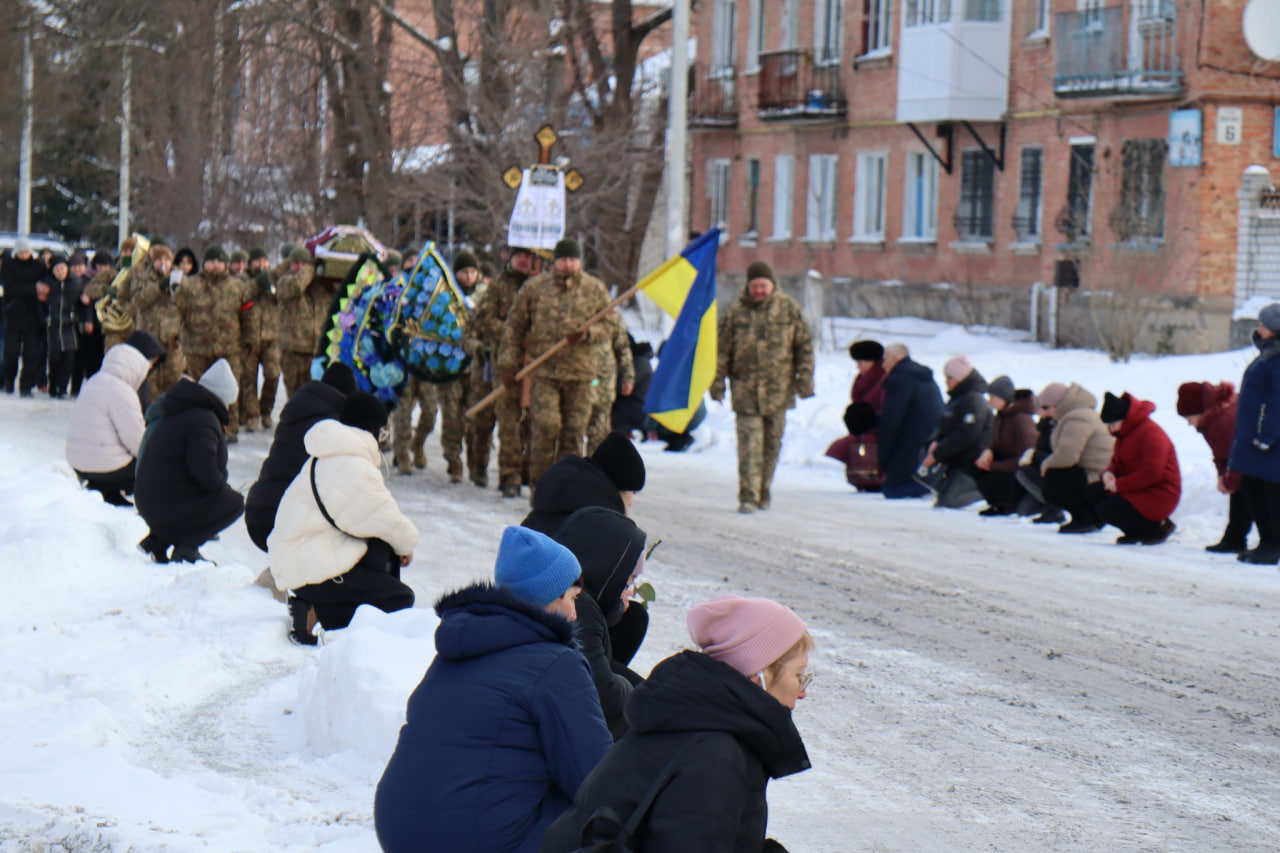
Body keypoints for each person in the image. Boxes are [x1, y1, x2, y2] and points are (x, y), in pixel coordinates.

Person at [373, 526, 613, 853]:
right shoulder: (557, 664)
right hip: (479, 837)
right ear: (550, 596)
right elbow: (594, 777)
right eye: (572, 599)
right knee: (604, 810)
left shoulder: (452, 654)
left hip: (399, 828)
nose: (574, 614)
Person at [542, 594, 812, 853]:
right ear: (758, 675)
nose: (803, 692)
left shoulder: (697, 720)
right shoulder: (714, 755)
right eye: (799, 676)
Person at [268, 392, 418, 644]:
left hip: (299, 557)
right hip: (306, 566)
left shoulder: (330, 454)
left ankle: (316, 604)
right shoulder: (351, 464)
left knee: (380, 549)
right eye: (383, 433)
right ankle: (317, 613)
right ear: (371, 430)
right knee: (399, 598)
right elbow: (385, 517)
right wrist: (406, 545)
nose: (382, 441)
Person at [499, 238, 614, 494]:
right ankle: (540, 487)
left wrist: (587, 334)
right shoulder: (535, 288)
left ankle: (565, 492)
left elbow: (610, 326)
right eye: (564, 260)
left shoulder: (594, 289)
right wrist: (508, 363)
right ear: (554, 262)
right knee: (546, 426)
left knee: (573, 434)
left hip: (581, 374)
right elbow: (514, 327)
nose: (569, 265)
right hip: (545, 372)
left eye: (573, 260)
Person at [709, 261, 815, 513]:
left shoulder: (788, 309)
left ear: (772, 285)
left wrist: (805, 380)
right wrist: (717, 384)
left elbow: (804, 348)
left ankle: (763, 490)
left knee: (771, 446)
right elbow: (721, 352)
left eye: (763, 286)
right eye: (754, 286)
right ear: (748, 286)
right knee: (749, 447)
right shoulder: (735, 313)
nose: (758, 291)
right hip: (745, 391)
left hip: (779, 392)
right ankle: (748, 496)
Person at [548, 506, 648, 739]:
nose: (629, 590)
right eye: (626, 581)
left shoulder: (573, 597)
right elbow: (603, 694)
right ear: (608, 570)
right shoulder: (579, 606)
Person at [133, 358, 246, 563]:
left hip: (148, 497)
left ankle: (159, 540)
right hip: (160, 503)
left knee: (199, 492)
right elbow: (204, 472)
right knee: (234, 503)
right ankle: (187, 548)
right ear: (222, 398)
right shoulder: (203, 420)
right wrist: (223, 490)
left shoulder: (184, 406)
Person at [244, 362, 358, 552]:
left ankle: (282, 566)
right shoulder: (334, 426)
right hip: (286, 519)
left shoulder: (298, 408)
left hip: (259, 512)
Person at [65, 330, 165, 507]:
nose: (150, 368)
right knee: (152, 464)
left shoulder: (94, 380)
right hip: (103, 467)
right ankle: (114, 489)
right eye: (149, 364)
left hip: (77, 462)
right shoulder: (122, 391)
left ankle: (106, 489)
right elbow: (138, 443)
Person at [468, 245, 536, 496]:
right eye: (519, 256)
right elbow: (485, 320)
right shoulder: (498, 286)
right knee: (508, 421)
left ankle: (530, 473)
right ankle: (509, 477)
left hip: (536, 364)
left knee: (534, 424)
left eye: (528, 256)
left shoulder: (541, 286)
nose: (523, 260)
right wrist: (514, 333)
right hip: (506, 362)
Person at [172, 246, 251, 440]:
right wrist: (173, 334)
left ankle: (229, 428)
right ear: (204, 263)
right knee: (199, 391)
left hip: (229, 348)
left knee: (230, 388)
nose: (215, 265)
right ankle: (199, 427)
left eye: (219, 261)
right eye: (211, 261)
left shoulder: (237, 286)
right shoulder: (189, 286)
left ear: (225, 264)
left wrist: (248, 339)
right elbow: (176, 310)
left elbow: (248, 316)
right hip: (197, 349)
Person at [1090, 392, 1179, 545]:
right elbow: (1117, 462)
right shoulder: (1124, 433)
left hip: (1159, 492)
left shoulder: (1151, 434)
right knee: (1094, 492)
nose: (1111, 429)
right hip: (1138, 487)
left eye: (1113, 424)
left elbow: (1152, 473)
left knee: (1108, 509)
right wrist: (1108, 473)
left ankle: (1155, 528)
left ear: (1124, 419)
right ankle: (1133, 531)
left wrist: (1119, 485)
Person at [1229, 304, 1280, 564]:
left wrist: (1267, 435)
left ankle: (1272, 545)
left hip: (1269, 442)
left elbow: (1278, 402)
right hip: (1256, 438)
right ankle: (1267, 542)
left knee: (1268, 491)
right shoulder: (1268, 354)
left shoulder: (1276, 358)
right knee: (1252, 486)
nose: (1259, 329)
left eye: (1263, 325)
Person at [522, 430, 645, 534]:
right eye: (633, 492)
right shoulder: (604, 527)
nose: (631, 502)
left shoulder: (555, 497)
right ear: (620, 487)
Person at [1178, 381, 1252, 553]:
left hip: (1257, 460)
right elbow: (1221, 453)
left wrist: (1229, 481)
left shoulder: (1222, 421)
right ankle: (1235, 539)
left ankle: (1242, 540)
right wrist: (1222, 476)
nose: (1189, 424)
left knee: (1247, 493)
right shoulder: (1210, 419)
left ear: (1200, 411)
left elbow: (1238, 455)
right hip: (1246, 462)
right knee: (1241, 492)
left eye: (1189, 418)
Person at [1039, 382, 1115, 534]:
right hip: (1100, 475)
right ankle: (1089, 517)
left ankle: (1084, 518)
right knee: (1055, 474)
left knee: (1053, 478)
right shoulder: (1080, 414)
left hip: (1097, 478)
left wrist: (1045, 464)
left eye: (1046, 407)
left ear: (1058, 404)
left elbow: (1068, 456)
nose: (1045, 413)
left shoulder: (1077, 418)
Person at [919, 355, 992, 509]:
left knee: (950, 501)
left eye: (950, 377)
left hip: (969, 462)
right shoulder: (958, 398)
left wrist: (938, 453)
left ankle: (984, 492)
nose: (946, 381)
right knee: (944, 500)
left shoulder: (974, 400)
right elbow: (945, 425)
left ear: (960, 378)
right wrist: (935, 442)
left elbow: (967, 434)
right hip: (955, 459)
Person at [876, 342, 943, 499]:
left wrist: (882, 458)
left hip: (911, 448)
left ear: (896, 358)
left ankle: (920, 487)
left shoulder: (899, 379)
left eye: (885, 360)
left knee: (891, 490)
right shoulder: (923, 377)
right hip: (930, 445)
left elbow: (891, 421)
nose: (883, 365)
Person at [824, 339, 888, 490]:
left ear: (871, 361)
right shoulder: (862, 379)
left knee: (848, 446)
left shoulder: (882, 379)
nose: (857, 366)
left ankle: (871, 476)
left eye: (860, 362)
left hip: (877, 429)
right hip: (865, 427)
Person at [973, 376, 1039, 516]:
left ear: (1003, 398)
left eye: (992, 397)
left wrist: (993, 466)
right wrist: (988, 452)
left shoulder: (1021, 418)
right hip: (1006, 463)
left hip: (1017, 469)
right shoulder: (1001, 416)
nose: (989, 401)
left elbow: (1025, 455)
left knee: (992, 477)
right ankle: (996, 503)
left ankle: (1006, 504)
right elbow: (997, 443)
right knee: (973, 462)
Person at [130, 242, 187, 401]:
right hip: (150, 338)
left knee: (174, 381)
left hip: (173, 339)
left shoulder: (180, 277)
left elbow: (188, 302)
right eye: (159, 260)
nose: (164, 263)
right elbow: (137, 301)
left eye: (167, 260)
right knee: (150, 384)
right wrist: (159, 287)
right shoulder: (142, 278)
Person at [277, 246, 328, 398]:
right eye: (296, 263)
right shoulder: (285, 282)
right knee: (295, 397)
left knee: (316, 398)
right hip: (293, 351)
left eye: (303, 263)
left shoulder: (320, 286)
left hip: (316, 352)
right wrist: (310, 268)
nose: (300, 267)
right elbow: (297, 285)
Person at [1, 237, 46, 396]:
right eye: (21, 252)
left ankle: (26, 386)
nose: (24, 255)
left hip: (33, 315)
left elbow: (45, 284)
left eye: (26, 252)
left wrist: (37, 290)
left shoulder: (38, 265)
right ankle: (9, 381)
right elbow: (10, 288)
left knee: (31, 353)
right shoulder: (8, 265)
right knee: (11, 352)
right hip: (13, 314)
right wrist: (34, 288)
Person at [43, 255, 82, 399]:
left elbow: (81, 304)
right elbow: (39, 304)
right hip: (53, 326)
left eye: (63, 269)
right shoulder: (47, 284)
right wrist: (45, 318)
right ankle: (53, 385)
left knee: (68, 358)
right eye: (57, 270)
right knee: (54, 358)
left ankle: (63, 388)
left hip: (69, 325)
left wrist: (76, 317)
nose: (60, 272)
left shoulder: (75, 283)